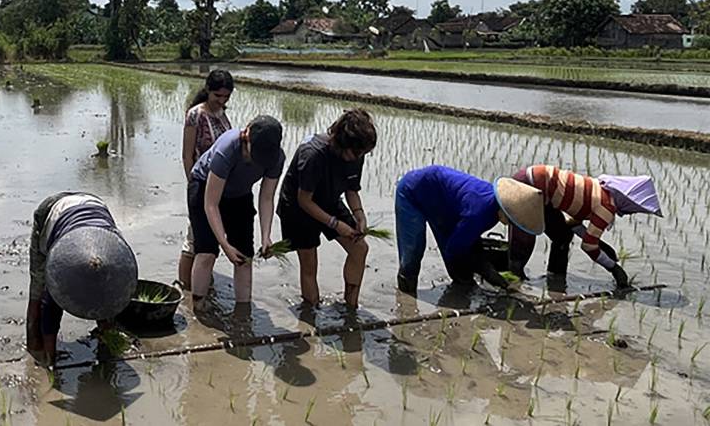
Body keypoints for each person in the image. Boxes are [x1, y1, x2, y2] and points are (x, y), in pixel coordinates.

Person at [276, 108, 377, 308]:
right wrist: (335, 224)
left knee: (359, 248)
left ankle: (350, 307)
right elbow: (305, 200)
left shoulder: (357, 153)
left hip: (328, 199)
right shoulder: (313, 154)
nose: (359, 157)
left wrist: (359, 215)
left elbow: (351, 189)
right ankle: (311, 309)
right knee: (309, 263)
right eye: (356, 152)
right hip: (297, 208)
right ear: (342, 142)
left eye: (363, 153)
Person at [26, 192, 138, 366]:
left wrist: (108, 332)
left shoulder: (116, 259)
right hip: (51, 212)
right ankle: (34, 345)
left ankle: (104, 344)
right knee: (37, 289)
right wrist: (51, 359)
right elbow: (50, 308)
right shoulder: (62, 271)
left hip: (94, 206)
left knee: (104, 296)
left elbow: (111, 300)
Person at [394, 165, 546, 294]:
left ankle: (461, 291)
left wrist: (481, 264)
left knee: (461, 272)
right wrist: (486, 270)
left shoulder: (493, 212)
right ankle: (406, 298)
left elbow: (469, 239)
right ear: (506, 209)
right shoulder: (479, 211)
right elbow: (454, 248)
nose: (510, 225)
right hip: (413, 192)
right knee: (413, 252)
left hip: (443, 206)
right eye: (512, 220)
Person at [507, 165, 663, 287]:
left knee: (562, 236)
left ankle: (555, 279)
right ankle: (513, 286)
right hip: (529, 185)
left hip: (540, 188)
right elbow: (588, 246)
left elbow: (573, 225)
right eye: (634, 209)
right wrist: (614, 269)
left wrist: (600, 244)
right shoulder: (606, 207)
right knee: (524, 239)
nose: (631, 213)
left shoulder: (600, 188)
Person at [187, 116, 285, 306]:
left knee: (244, 257)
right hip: (204, 188)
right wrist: (224, 244)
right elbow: (211, 204)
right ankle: (197, 309)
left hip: (239, 194)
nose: (257, 161)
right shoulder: (228, 148)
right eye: (255, 154)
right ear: (246, 136)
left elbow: (266, 198)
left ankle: (243, 312)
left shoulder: (276, 158)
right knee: (207, 252)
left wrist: (266, 237)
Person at [179, 69, 234, 289]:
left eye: (226, 97)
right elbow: (187, 154)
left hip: (221, 186)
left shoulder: (222, 114)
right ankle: (186, 286)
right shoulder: (196, 115)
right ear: (208, 91)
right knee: (195, 238)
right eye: (217, 96)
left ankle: (202, 281)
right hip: (201, 183)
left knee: (211, 237)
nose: (221, 101)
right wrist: (193, 186)